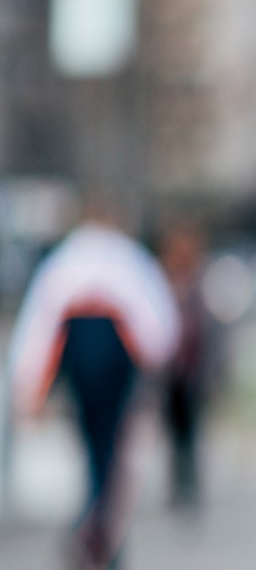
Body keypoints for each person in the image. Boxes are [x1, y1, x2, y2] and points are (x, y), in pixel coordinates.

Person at [6, 205, 178, 569]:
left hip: (82, 359)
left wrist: (30, 386)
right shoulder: (127, 257)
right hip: (115, 359)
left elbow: (39, 326)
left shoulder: (65, 260)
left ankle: (96, 519)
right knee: (112, 445)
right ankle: (101, 524)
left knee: (92, 442)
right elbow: (156, 320)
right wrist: (155, 365)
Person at [156, 218, 224, 517]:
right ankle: (177, 489)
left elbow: (215, 335)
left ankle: (191, 488)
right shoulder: (164, 288)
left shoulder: (202, 287)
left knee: (192, 433)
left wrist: (216, 372)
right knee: (174, 434)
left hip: (194, 372)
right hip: (171, 374)